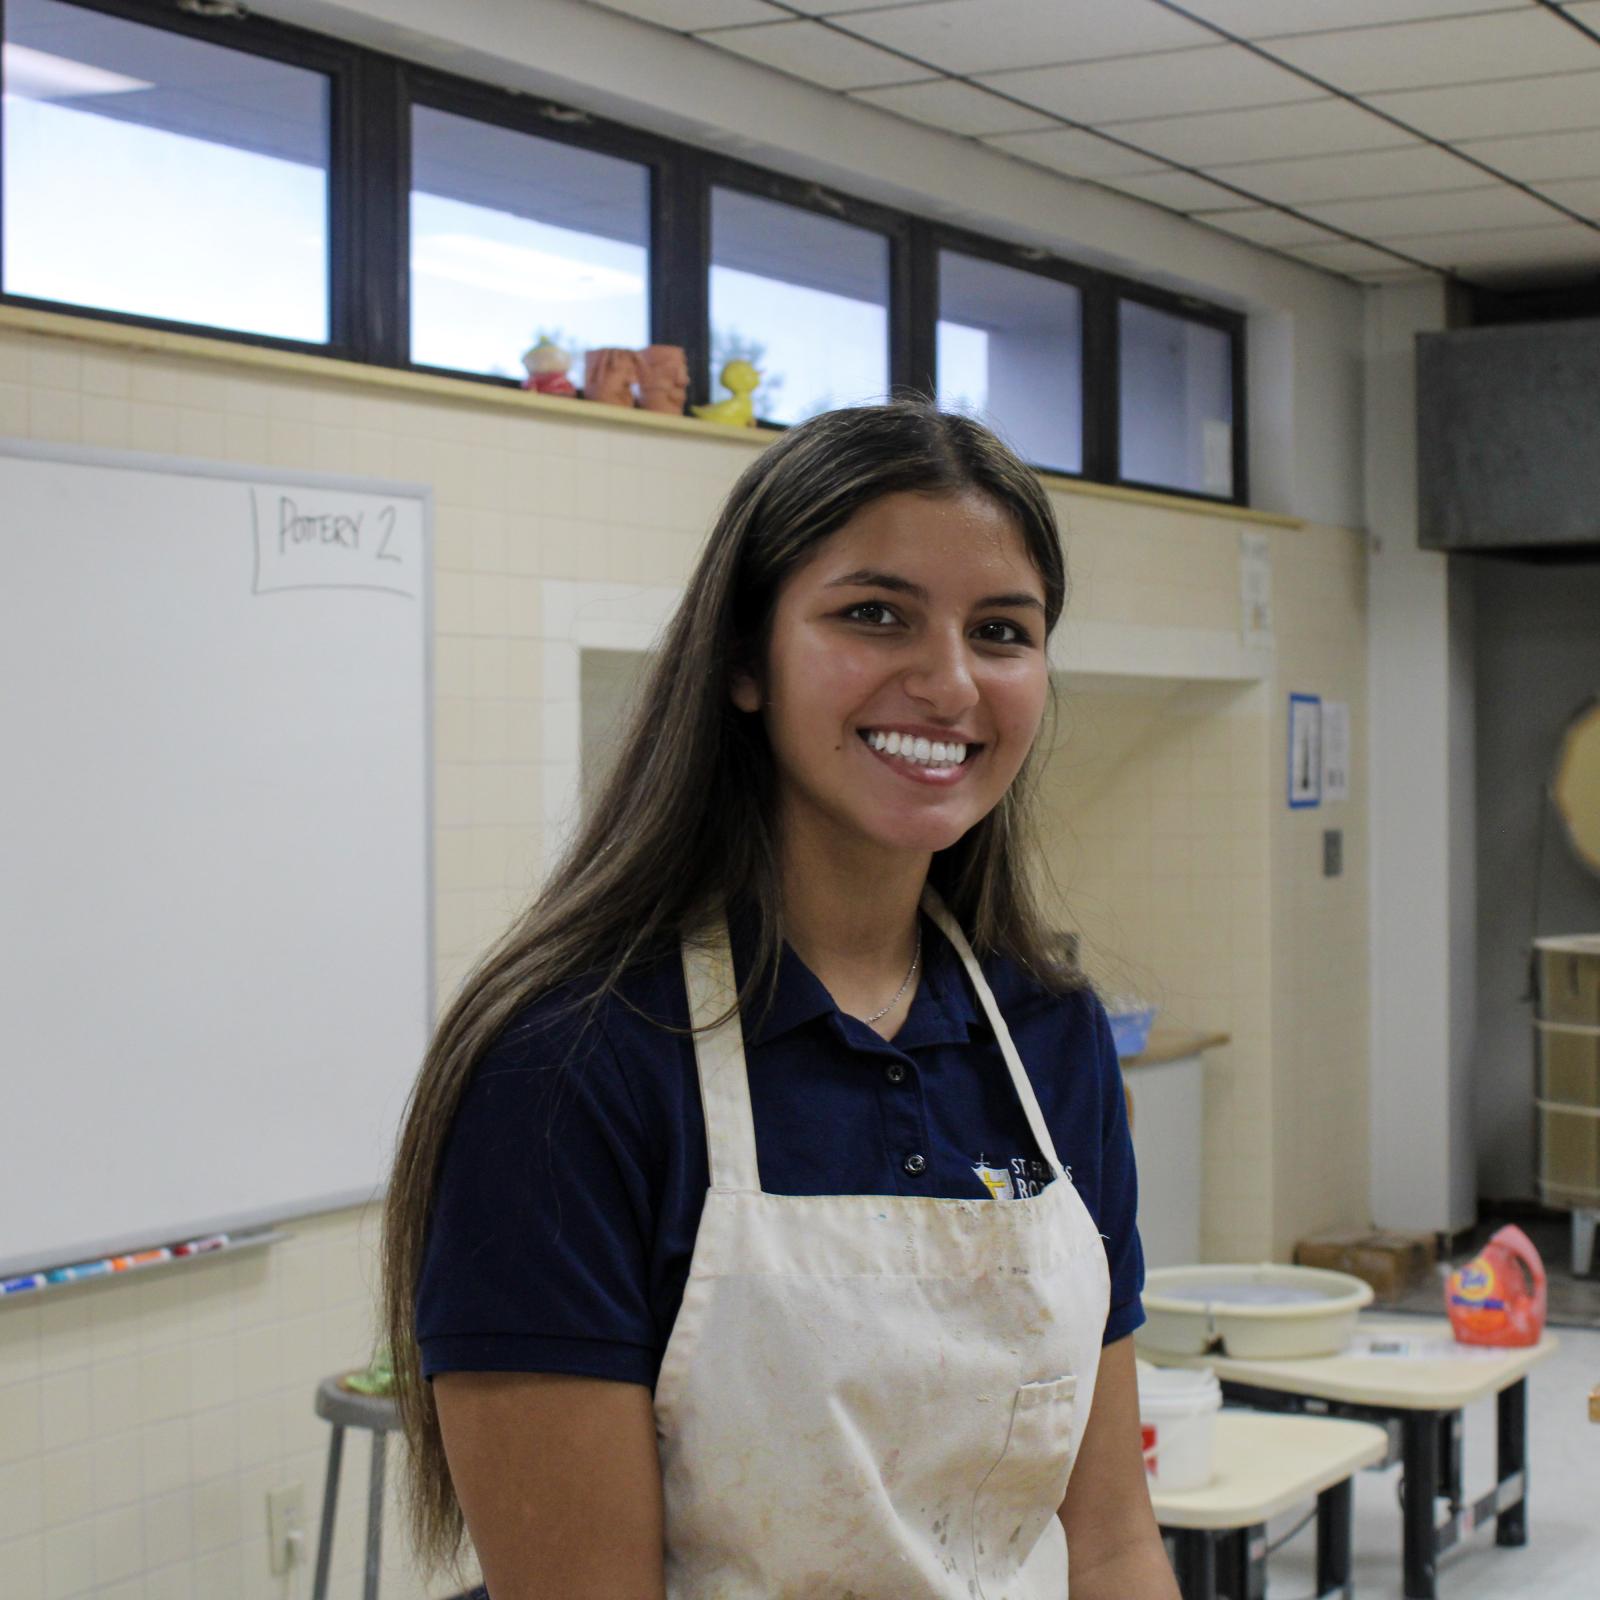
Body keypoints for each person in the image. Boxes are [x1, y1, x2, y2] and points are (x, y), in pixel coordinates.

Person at [382, 401, 1177, 1599]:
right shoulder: (568, 1064)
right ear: (746, 659)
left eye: (1001, 630)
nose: (950, 681)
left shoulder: (1047, 1038)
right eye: (874, 614)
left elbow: (1111, 1540)